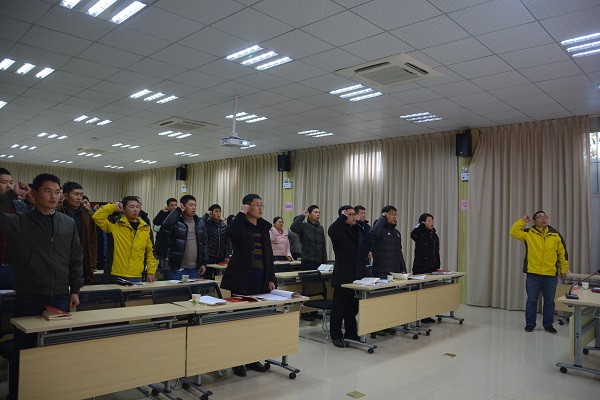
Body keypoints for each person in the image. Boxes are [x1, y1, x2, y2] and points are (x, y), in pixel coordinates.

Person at [0, 173, 83, 400]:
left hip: (60, 297)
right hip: (29, 296)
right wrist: (11, 194)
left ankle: (49, 392)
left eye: (57, 192)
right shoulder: (19, 221)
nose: (54, 196)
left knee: (54, 349)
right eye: (48, 191)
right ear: (34, 194)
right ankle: (18, 395)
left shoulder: (67, 222)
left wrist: (75, 289)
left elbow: (76, 258)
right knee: (24, 352)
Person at [221, 194, 275, 376]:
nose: (260, 208)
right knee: (240, 321)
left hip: (261, 278)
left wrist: (271, 278)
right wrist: (240, 214)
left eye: (262, 205)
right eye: (256, 205)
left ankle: (253, 358)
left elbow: (269, 255)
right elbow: (230, 234)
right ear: (247, 207)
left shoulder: (264, 227)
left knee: (256, 321)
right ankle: (237, 361)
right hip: (242, 278)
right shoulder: (240, 225)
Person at [510, 211, 568, 334]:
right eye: (540, 217)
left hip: (550, 275)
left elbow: (562, 254)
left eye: (545, 217)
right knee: (532, 300)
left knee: (549, 302)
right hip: (533, 274)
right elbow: (514, 232)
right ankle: (530, 324)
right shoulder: (529, 233)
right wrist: (522, 221)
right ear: (535, 221)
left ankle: (548, 325)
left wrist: (563, 270)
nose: (543, 219)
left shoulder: (555, 235)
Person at [92, 196, 156, 283]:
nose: (135, 210)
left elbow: (150, 251)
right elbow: (97, 217)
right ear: (124, 209)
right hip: (116, 274)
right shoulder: (115, 224)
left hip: (137, 275)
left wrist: (151, 271)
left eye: (137, 207)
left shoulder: (145, 227)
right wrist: (114, 206)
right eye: (132, 207)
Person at [328, 205, 364, 348]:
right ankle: (336, 336)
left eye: (355, 214)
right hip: (342, 275)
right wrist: (342, 217)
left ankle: (351, 333)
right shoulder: (339, 230)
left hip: (355, 275)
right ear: (343, 216)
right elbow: (331, 230)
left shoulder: (357, 230)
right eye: (351, 214)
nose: (354, 217)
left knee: (353, 308)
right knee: (339, 308)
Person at [160, 195, 208, 281]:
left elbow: (204, 244)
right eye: (190, 205)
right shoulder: (177, 222)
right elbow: (166, 226)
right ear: (183, 206)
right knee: (177, 290)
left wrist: (204, 263)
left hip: (195, 269)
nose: (194, 207)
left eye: (195, 205)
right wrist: (177, 210)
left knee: (194, 290)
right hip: (177, 268)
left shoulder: (200, 223)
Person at [57, 181, 97, 284]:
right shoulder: (56, 212)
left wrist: (92, 264)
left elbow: (92, 242)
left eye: (81, 195)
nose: (79, 198)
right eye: (76, 194)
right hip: (60, 262)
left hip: (82, 263)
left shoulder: (88, 215)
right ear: (65, 195)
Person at [411, 212, 440, 323]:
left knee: (429, 294)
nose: (431, 223)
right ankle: (420, 316)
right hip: (421, 268)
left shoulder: (434, 234)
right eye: (429, 221)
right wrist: (419, 226)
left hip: (432, 268)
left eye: (432, 220)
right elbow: (413, 235)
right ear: (423, 222)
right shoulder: (419, 233)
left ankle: (427, 315)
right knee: (421, 294)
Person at [0, 168, 27, 289]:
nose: (9, 186)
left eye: (11, 182)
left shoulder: (20, 206)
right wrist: (12, 194)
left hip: (13, 266)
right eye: (4, 182)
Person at [370, 206, 407, 279]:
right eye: (391, 214)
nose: (394, 217)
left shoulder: (396, 233)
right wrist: (382, 218)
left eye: (395, 214)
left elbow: (399, 253)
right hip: (381, 272)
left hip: (395, 272)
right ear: (384, 215)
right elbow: (374, 233)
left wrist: (403, 269)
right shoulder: (379, 230)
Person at [290, 205, 327, 270]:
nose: (318, 214)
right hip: (307, 260)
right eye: (315, 212)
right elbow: (293, 227)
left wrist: (325, 262)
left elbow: (323, 245)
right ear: (309, 214)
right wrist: (302, 216)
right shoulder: (304, 225)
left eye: (319, 212)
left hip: (319, 260)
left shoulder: (320, 228)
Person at [201, 203, 230, 279]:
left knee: (219, 277)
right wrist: (206, 215)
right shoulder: (207, 224)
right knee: (207, 277)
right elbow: (199, 224)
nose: (219, 213)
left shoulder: (223, 225)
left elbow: (226, 242)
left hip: (221, 256)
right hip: (210, 256)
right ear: (211, 213)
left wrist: (227, 256)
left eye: (220, 211)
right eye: (216, 211)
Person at [153, 197, 178, 278]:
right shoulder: (164, 214)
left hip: (175, 247)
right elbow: (155, 222)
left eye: (175, 205)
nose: (174, 207)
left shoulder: (178, 215)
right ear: (168, 206)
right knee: (165, 269)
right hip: (164, 246)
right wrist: (162, 212)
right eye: (172, 205)